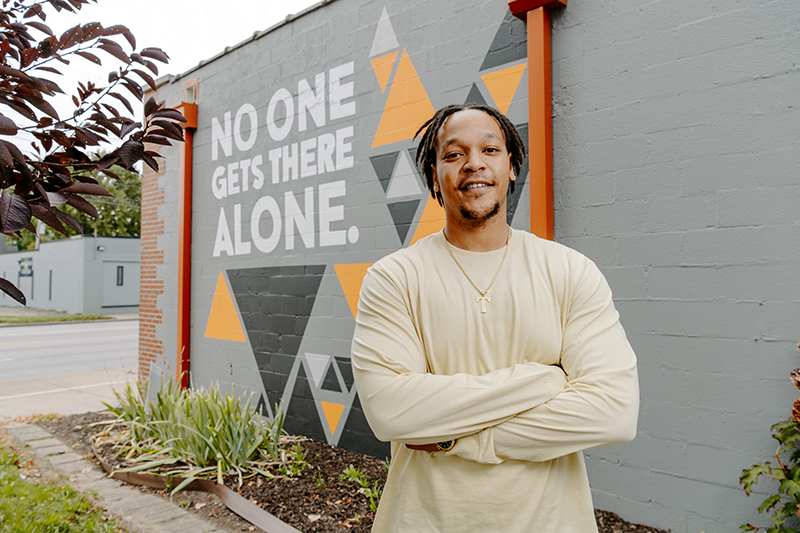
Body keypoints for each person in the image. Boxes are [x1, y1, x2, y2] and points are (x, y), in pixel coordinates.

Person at [351, 104, 639, 532]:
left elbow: (613, 411)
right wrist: (543, 380)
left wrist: (454, 438)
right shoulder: (394, 278)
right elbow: (391, 412)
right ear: (434, 175)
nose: (473, 164)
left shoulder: (569, 271)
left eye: (490, 149)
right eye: (453, 154)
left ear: (511, 168)